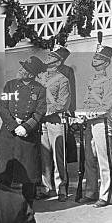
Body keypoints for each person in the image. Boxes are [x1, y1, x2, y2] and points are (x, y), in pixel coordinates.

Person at [0, 57, 47, 203]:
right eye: (22, 67)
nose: (21, 70)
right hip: (8, 134)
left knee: (28, 175)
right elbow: (3, 108)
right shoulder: (10, 86)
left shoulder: (40, 89)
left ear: (31, 74)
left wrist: (26, 127)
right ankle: (2, 203)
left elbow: (39, 112)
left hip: (27, 137)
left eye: (25, 69)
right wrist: (13, 125)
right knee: (4, 172)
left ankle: (27, 206)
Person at [78, 46, 112, 207]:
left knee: (104, 159)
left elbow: (107, 106)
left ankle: (106, 194)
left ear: (106, 63)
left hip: (102, 122)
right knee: (89, 159)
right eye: (95, 57)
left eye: (99, 58)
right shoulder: (92, 80)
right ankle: (91, 192)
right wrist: (82, 114)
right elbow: (87, 102)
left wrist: (90, 114)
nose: (95, 60)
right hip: (89, 123)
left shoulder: (108, 81)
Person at [37, 51, 71, 201]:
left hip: (55, 120)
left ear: (58, 63)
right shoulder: (41, 77)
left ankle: (61, 188)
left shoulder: (63, 80)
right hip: (42, 120)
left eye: (52, 58)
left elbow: (63, 103)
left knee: (59, 156)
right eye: (48, 56)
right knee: (44, 155)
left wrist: (47, 111)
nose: (48, 59)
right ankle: (47, 187)